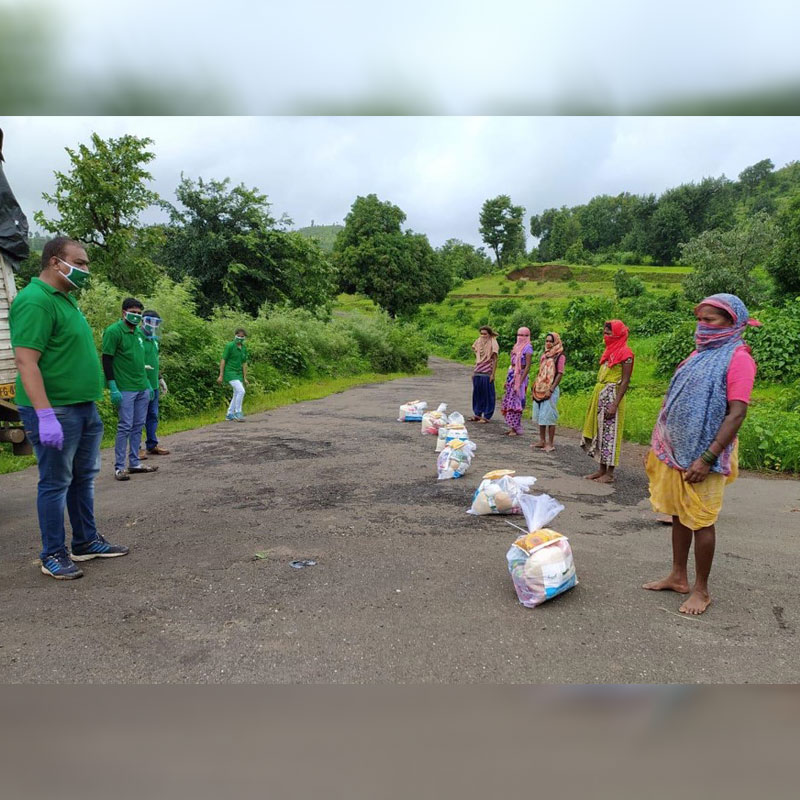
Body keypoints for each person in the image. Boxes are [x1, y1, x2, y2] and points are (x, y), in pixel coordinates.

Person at [10, 237, 129, 579]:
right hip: (56, 410)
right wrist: (45, 415)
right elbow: (26, 362)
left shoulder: (66, 299)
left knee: (82, 478)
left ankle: (86, 541)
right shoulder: (35, 301)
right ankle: (52, 553)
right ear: (54, 263)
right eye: (81, 262)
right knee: (55, 481)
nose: (86, 269)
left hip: (81, 407)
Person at [643, 294, 759, 616]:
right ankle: (678, 576)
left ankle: (701, 590)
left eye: (711, 320)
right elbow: (672, 401)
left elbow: (736, 414)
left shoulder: (738, 358)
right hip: (676, 451)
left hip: (706, 456)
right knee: (679, 514)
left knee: (702, 521)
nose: (702, 326)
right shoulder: (697, 355)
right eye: (701, 319)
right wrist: (659, 446)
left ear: (732, 323)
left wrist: (707, 458)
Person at [102, 298, 159, 481]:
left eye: (138, 313)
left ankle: (134, 462)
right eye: (132, 312)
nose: (136, 315)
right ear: (123, 312)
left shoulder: (138, 335)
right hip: (125, 387)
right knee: (125, 426)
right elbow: (107, 359)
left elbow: (140, 362)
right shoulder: (114, 332)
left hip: (141, 386)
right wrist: (112, 385)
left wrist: (149, 384)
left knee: (137, 426)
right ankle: (119, 467)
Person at [580, 319, 634, 483]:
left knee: (611, 434)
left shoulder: (626, 354)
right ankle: (601, 469)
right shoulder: (609, 351)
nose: (606, 335)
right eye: (604, 332)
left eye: (609, 333)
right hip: (601, 394)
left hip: (612, 396)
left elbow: (625, 381)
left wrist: (615, 403)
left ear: (617, 334)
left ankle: (610, 473)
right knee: (601, 433)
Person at [137, 309, 170, 460]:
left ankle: (152, 444)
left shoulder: (154, 340)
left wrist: (160, 378)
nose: (153, 325)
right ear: (143, 321)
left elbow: (154, 361)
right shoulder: (137, 337)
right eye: (150, 322)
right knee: (138, 418)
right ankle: (136, 448)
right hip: (139, 384)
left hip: (154, 384)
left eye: (156, 323)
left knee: (153, 415)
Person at [531, 331, 566, 452]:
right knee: (541, 415)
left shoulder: (560, 356)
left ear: (556, 341)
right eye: (547, 341)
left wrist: (551, 389)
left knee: (549, 416)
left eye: (551, 341)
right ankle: (542, 440)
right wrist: (535, 386)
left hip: (551, 389)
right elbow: (540, 371)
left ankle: (550, 443)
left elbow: (560, 373)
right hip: (540, 388)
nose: (548, 343)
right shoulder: (544, 355)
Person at [500, 327, 534, 436]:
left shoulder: (528, 348)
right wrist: (508, 378)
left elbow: (528, 366)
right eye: (520, 335)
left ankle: (516, 428)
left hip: (521, 376)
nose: (522, 337)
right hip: (512, 375)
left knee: (516, 402)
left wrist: (521, 381)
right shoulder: (516, 347)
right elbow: (512, 364)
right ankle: (512, 427)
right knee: (509, 401)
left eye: (525, 335)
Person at [468, 325, 498, 423]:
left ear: (489, 334)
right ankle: (477, 413)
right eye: (481, 334)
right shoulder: (478, 342)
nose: (483, 336)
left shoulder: (493, 343)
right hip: (478, 372)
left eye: (485, 334)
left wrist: (492, 374)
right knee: (477, 394)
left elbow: (495, 359)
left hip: (487, 373)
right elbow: (476, 358)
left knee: (488, 395)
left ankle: (487, 416)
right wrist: (474, 372)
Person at [218, 327, 249, 421]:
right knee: (241, 391)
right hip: (230, 372)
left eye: (242, 337)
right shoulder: (230, 346)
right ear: (235, 336)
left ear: (244, 338)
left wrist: (245, 377)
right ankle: (238, 412)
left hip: (238, 373)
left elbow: (244, 363)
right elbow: (223, 360)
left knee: (236, 393)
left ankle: (229, 414)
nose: (240, 338)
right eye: (238, 336)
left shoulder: (244, 348)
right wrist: (221, 375)